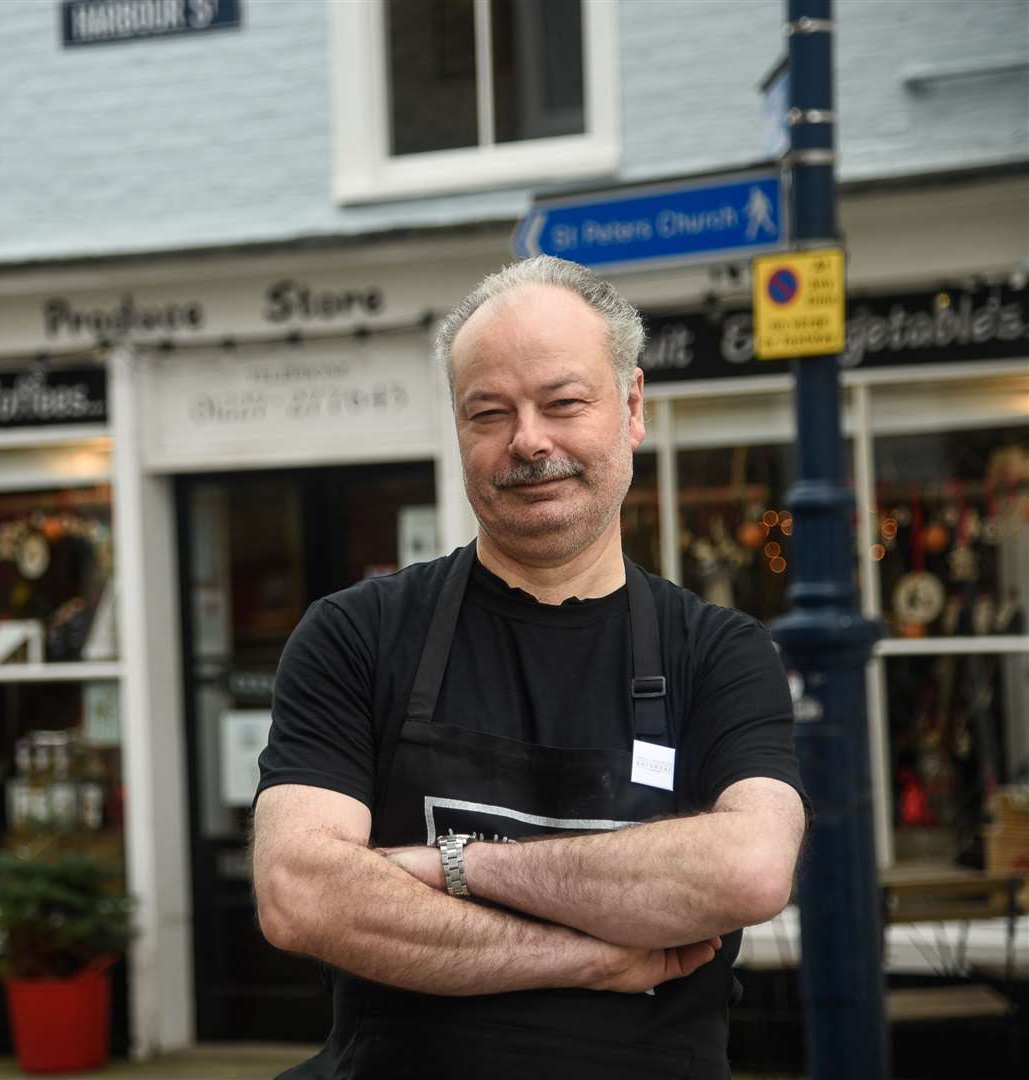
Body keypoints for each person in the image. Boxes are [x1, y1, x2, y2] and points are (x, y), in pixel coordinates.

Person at [251, 256, 808, 1079]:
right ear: (458, 429)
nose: (528, 440)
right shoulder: (354, 634)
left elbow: (747, 868)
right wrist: (590, 955)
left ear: (630, 408)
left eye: (562, 402)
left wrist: (455, 864)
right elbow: (301, 893)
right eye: (488, 412)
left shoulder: (720, 651)